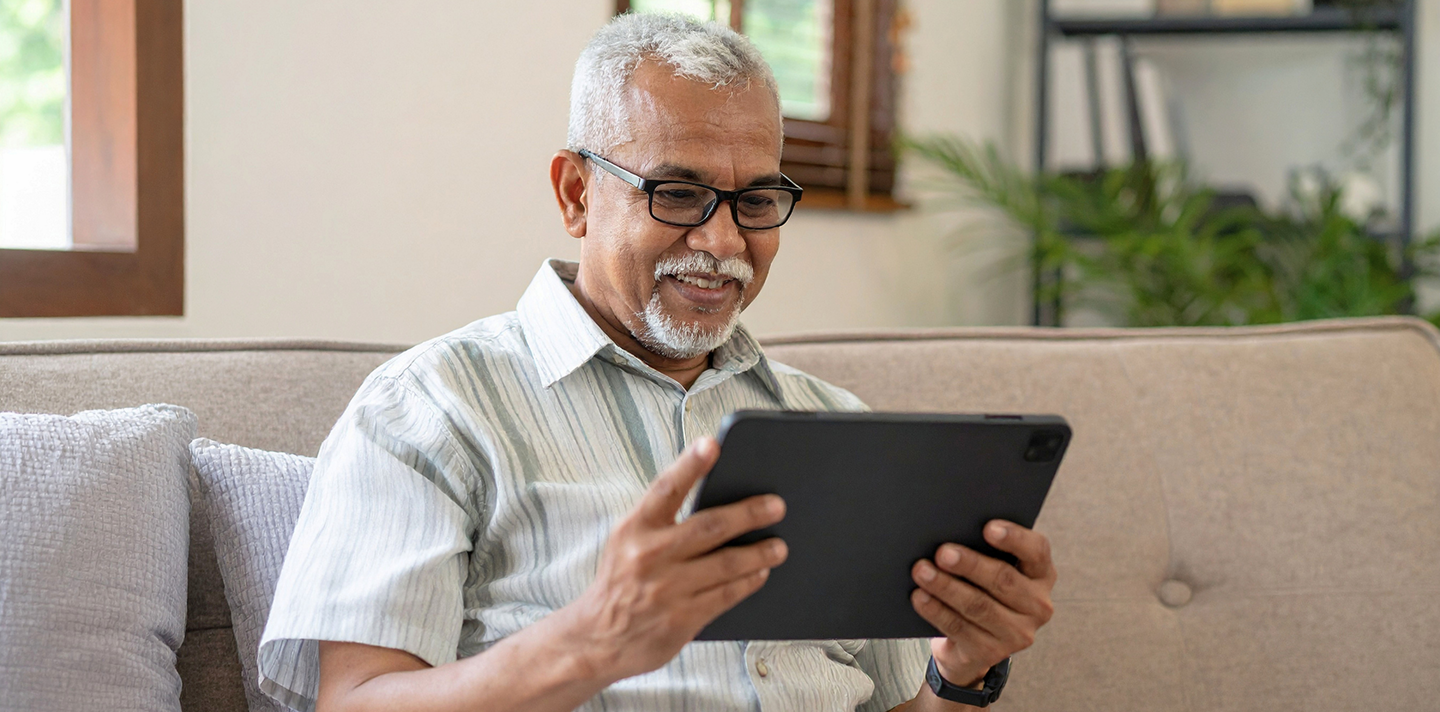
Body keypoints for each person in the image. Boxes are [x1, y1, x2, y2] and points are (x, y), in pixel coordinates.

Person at [259, 13, 1055, 712]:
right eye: (677, 193)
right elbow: (356, 701)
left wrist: (961, 674)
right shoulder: (430, 408)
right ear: (575, 194)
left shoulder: (840, 428)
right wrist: (594, 641)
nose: (723, 243)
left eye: (756, 201)